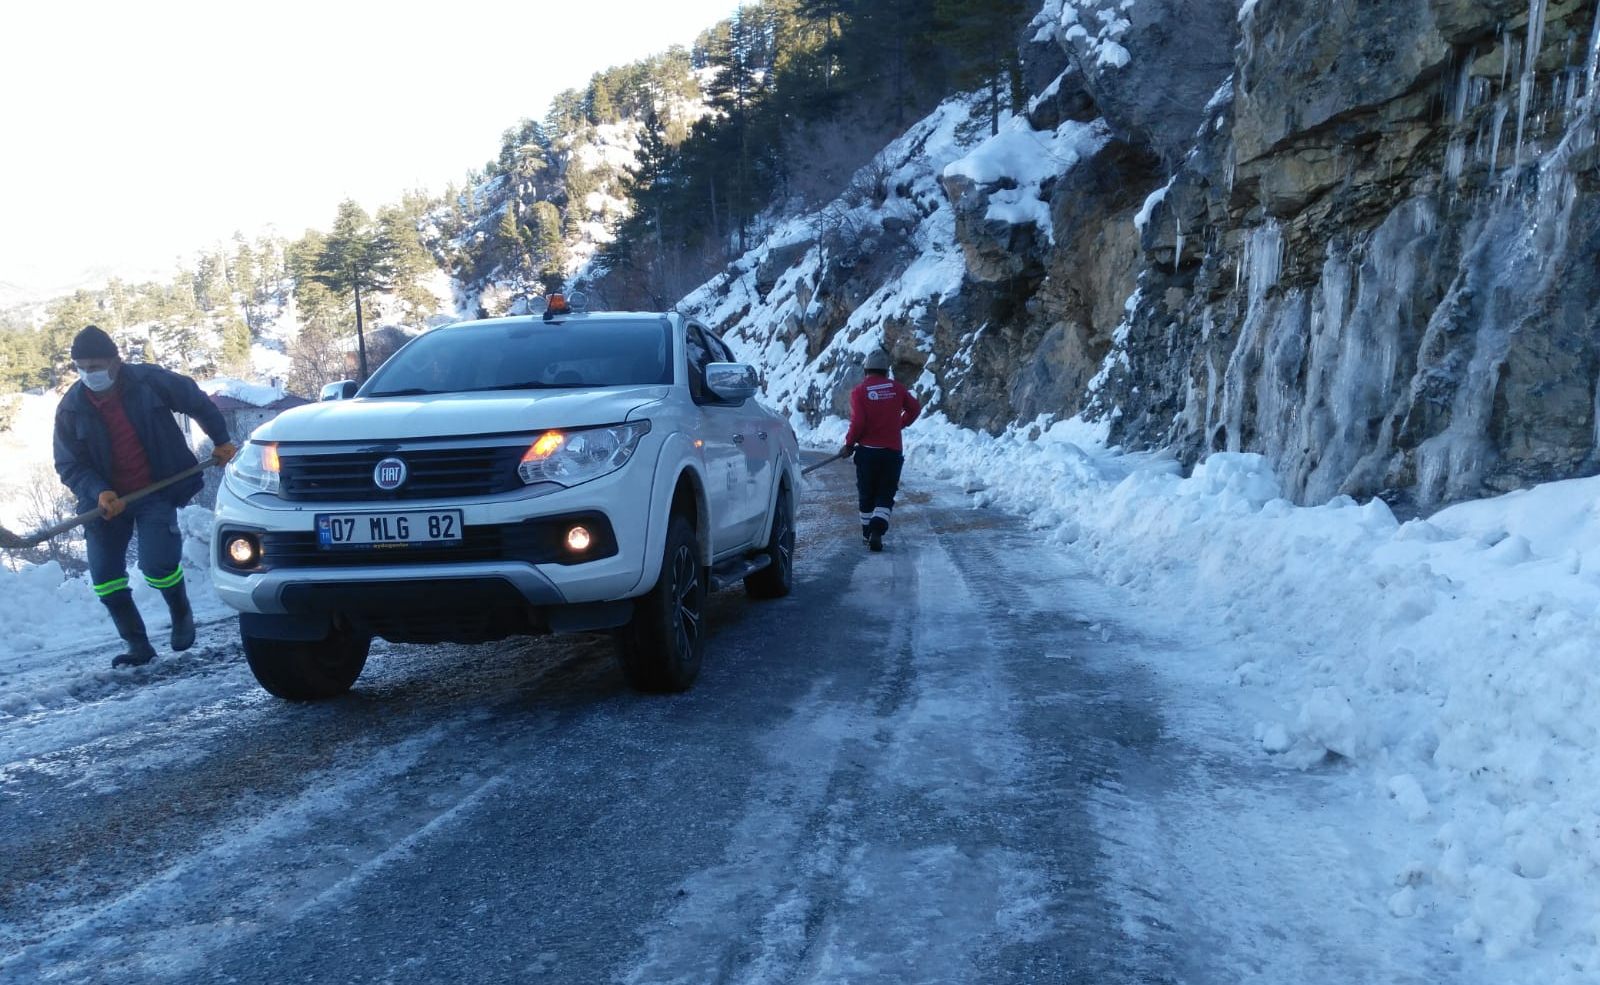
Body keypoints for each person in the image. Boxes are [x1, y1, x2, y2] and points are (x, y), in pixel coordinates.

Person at [53, 326, 237, 668]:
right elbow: (68, 464)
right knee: (105, 578)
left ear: (115, 362)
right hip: (105, 503)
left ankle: (180, 610)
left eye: (96, 365)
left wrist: (220, 439)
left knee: (158, 566)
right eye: (82, 366)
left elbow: (196, 401)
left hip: (156, 488)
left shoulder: (148, 382)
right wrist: (100, 492)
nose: (89, 373)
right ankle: (138, 645)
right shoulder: (71, 408)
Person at [839, 349, 921, 552]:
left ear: (866, 370)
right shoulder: (897, 389)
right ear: (886, 371)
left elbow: (858, 422)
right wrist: (900, 424)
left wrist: (849, 444)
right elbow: (915, 409)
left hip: (867, 453)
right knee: (886, 493)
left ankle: (868, 532)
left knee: (866, 494)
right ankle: (878, 528)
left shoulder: (859, 392)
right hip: (892, 453)